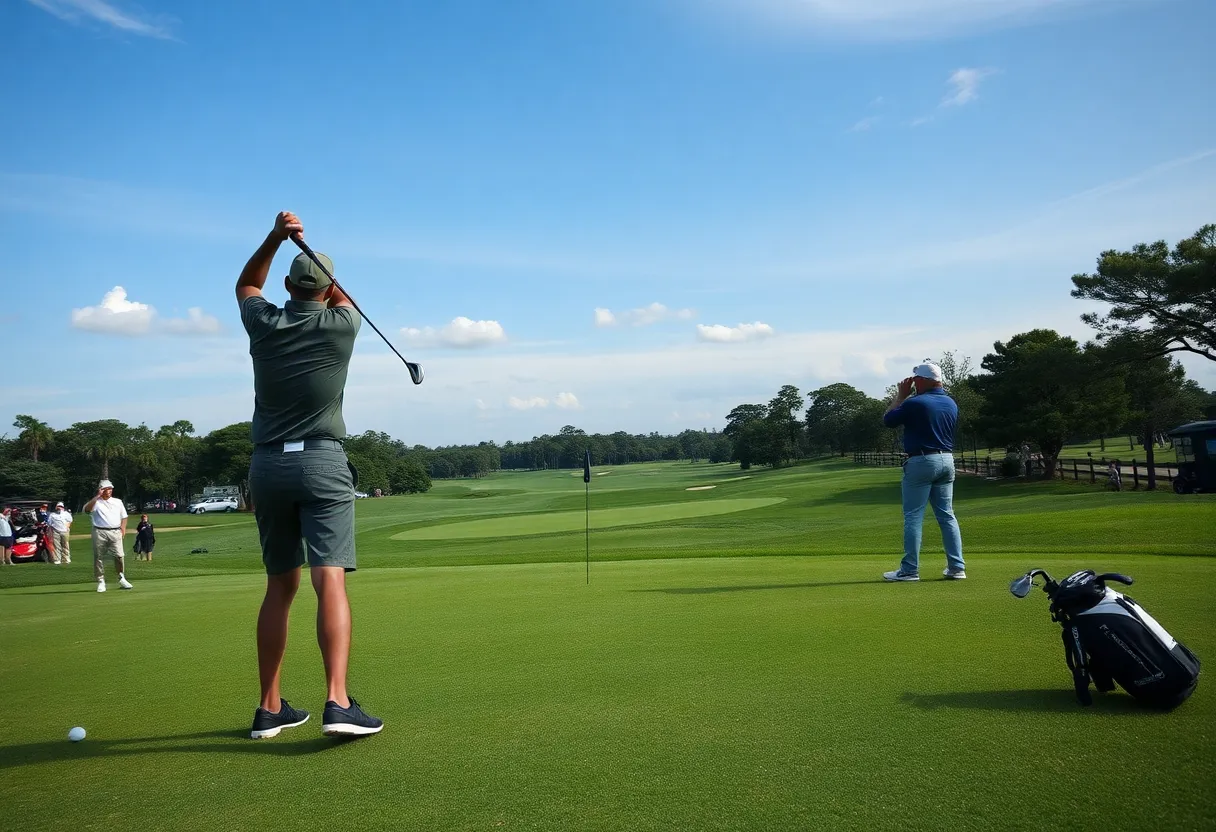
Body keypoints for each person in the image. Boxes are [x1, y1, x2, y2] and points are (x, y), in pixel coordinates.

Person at [236, 210, 382, 740]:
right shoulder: (342, 325)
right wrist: (325, 269)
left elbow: (247, 283)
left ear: (287, 286)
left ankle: (269, 708)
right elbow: (344, 297)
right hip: (321, 461)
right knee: (329, 578)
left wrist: (277, 237)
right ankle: (337, 702)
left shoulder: (264, 321)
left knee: (280, 585)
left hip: (267, 466)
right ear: (327, 287)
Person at [880, 362, 966, 582]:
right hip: (947, 460)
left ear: (922, 381)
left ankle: (909, 570)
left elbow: (888, 420)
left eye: (915, 379)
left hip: (921, 461)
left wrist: (900, 396)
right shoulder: (950, 402)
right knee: (947, 515)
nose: (913, 382)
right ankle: (957, 568)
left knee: (913, 516)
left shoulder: (915, 403)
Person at [83, 479, 133, 592]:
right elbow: (87, 510)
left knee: (119, 556)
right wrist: (97, 496)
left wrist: (123, 529)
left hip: (115, 531)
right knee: (99, 557)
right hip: (99, 531)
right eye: (105, 489)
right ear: (100, 490)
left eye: (110, 488)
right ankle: (101, 581)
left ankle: (121, 577)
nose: (108, 491)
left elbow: (124, 517)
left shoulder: (118, 502)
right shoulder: (96, 502)